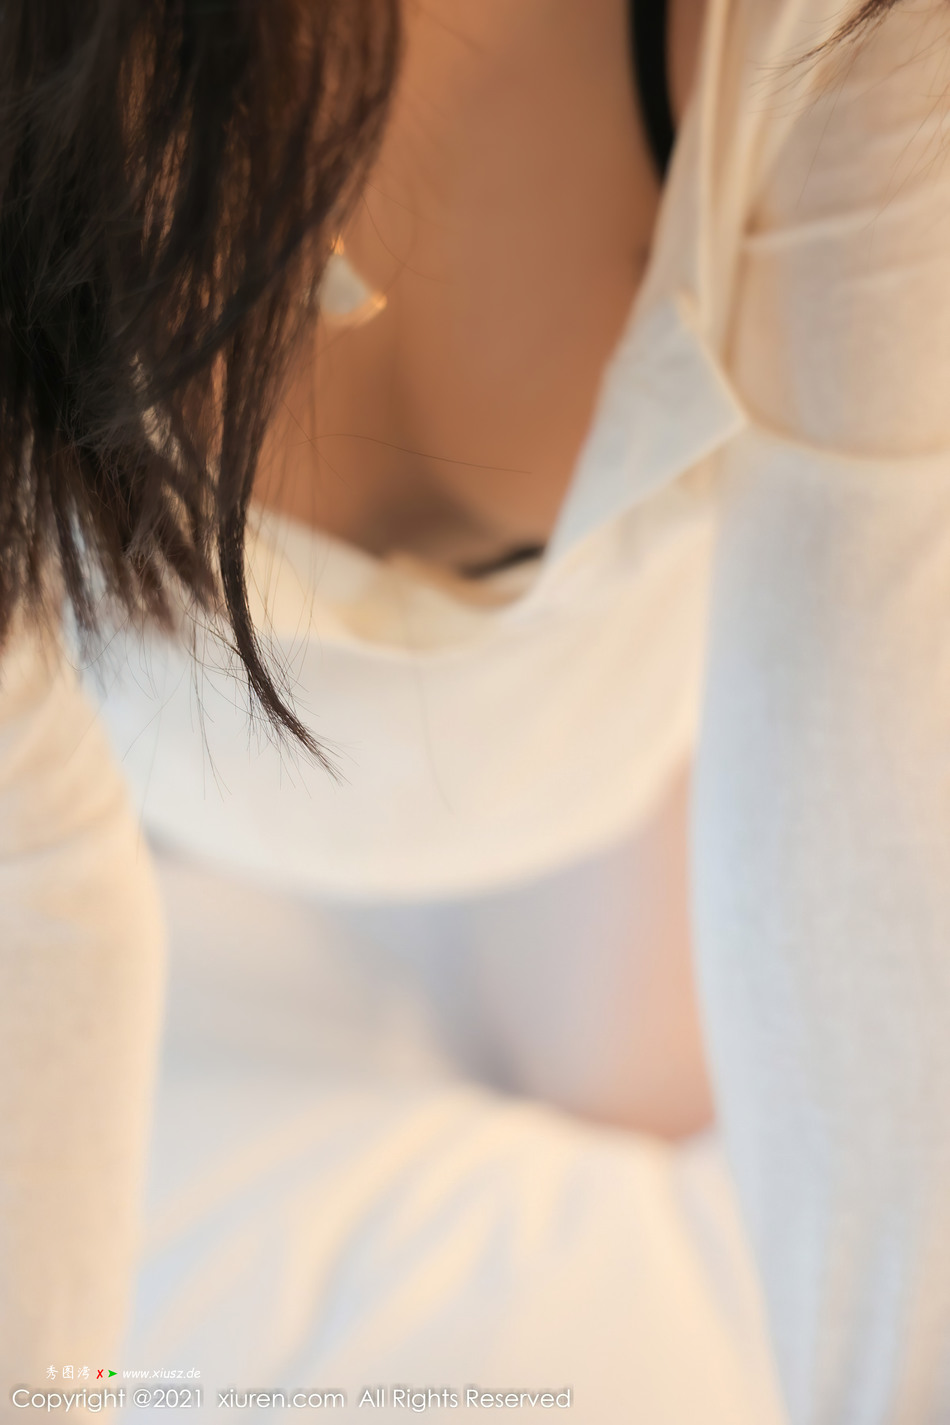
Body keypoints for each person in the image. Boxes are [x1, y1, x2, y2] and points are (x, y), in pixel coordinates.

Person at [2, 0, 950, 1419]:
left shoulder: (843, 36)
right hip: (134, 753)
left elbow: (858, 773)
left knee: (639, 1068)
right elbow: (36, 891)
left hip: (601, 739)